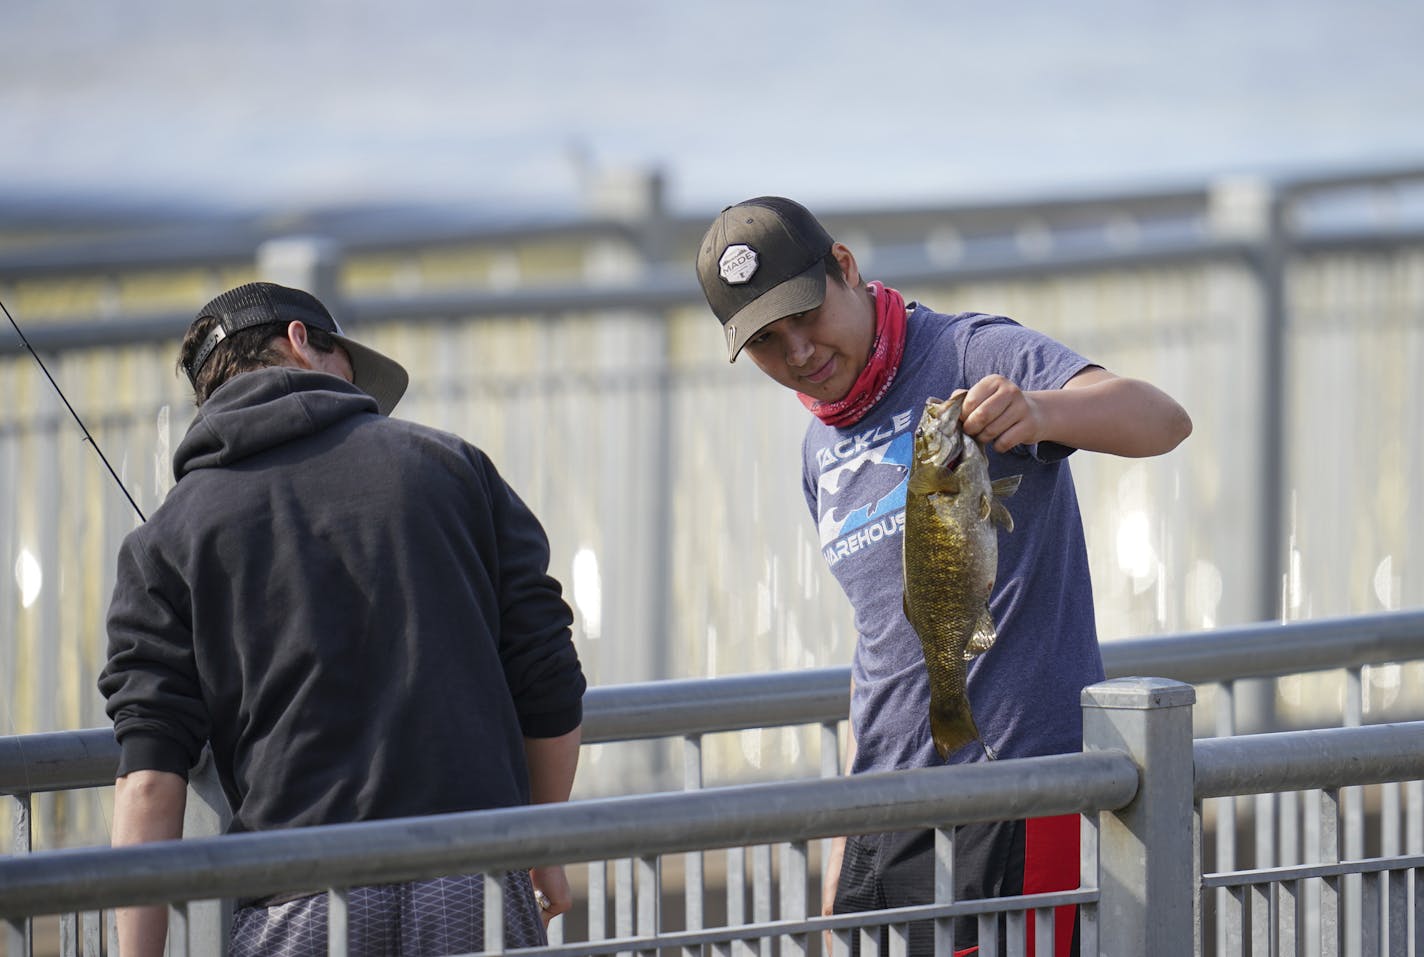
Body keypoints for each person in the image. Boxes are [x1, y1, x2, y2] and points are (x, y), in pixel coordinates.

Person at [696, 197, 1191, 956]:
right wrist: (844, 841)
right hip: (886, 814)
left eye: (804, 313)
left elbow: (1162, 419)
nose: (798, 351)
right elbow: (880, 646)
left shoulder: (971, 354)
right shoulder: (817, 452)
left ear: (846, 268)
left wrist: (1042, 410)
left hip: (1016, 794)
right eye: (766, 340)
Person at [98, 281, 586, 957]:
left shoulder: (166, 539)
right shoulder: (455, 467)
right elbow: (549, 676)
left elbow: (150, 775)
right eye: (351, 366)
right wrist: (541, 844)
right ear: (302, 339)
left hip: (295, 905)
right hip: (472, 884)